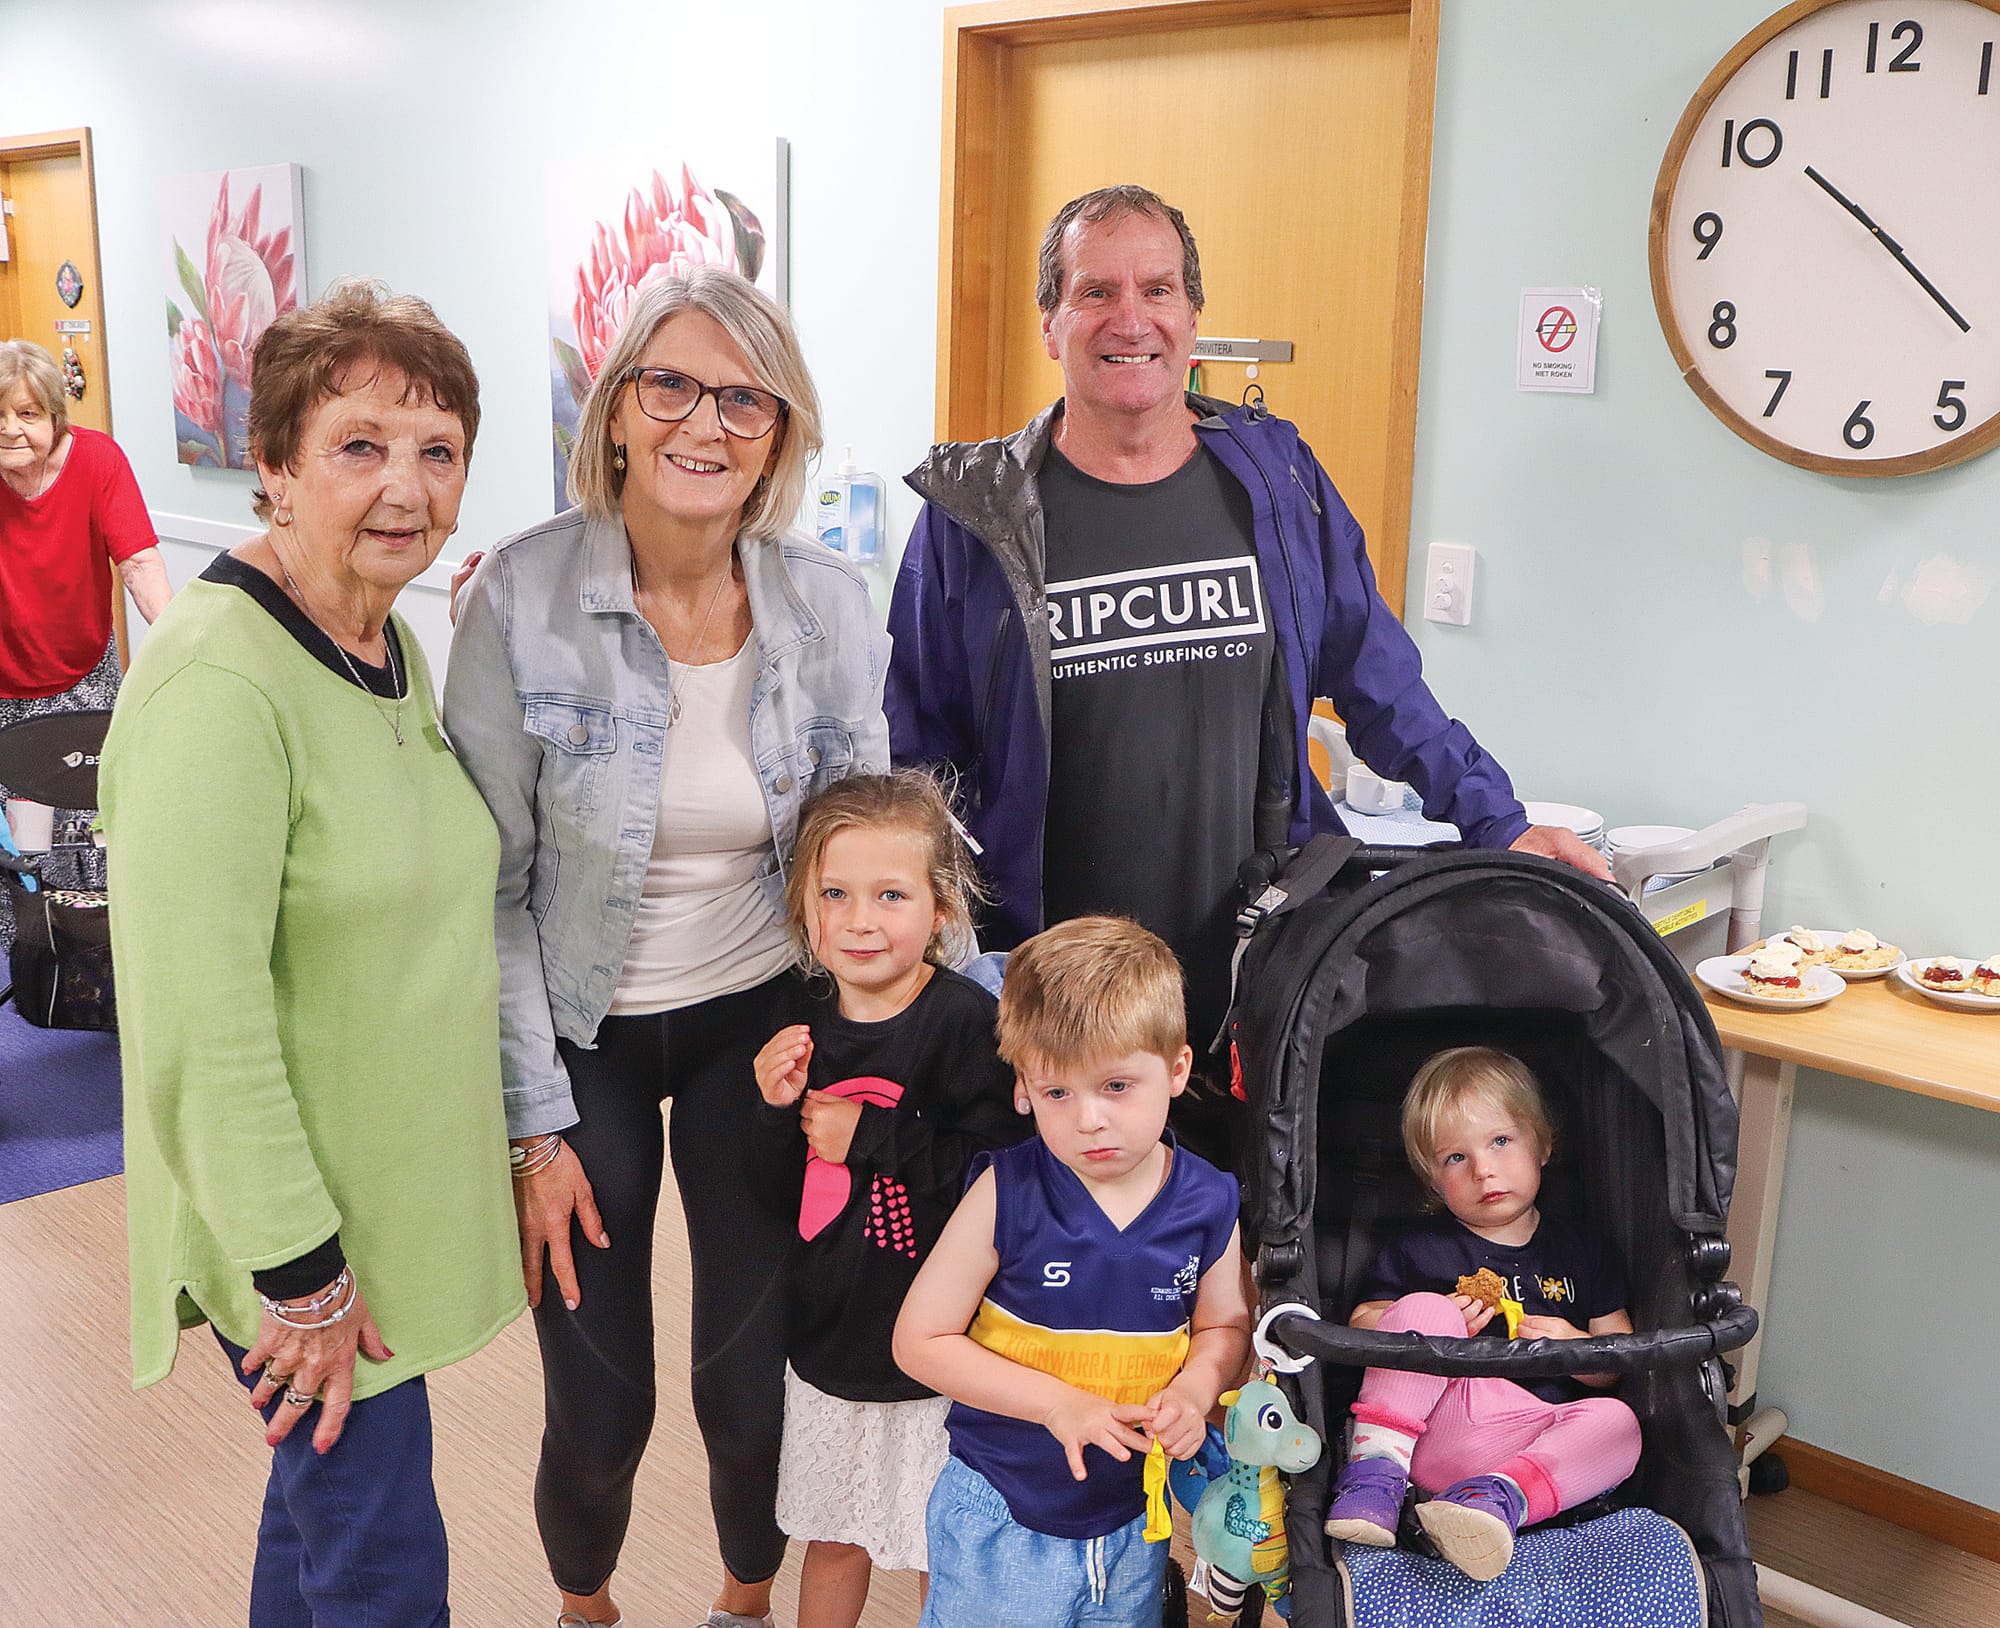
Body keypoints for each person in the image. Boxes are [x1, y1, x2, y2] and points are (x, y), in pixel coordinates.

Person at [885, 185, 1610, 1161]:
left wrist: (1497, 817)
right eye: (1096, 290)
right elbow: (916, 757)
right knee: (1064, 1280)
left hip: (1255, 976)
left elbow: (1376, 679)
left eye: (1158, 288)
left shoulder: (1276, 484)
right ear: (1050, 317)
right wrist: (930, 942)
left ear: (1191, 315)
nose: (1129, 318)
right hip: (1056, 1004)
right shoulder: (971, 517)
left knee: (1238, 1264)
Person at [443, 265, 890, 1628]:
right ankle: (586, 1609)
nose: (707, 421)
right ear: (620, 411)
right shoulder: (517, 600)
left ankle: (743, 1604)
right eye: (672, 384)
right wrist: (530, 1129)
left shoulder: (829, 605)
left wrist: (866, 1056)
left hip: (761, 1019)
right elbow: (492, 896)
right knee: (600, 1397)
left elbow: (862, 859)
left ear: (780, 429)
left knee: (749, 1384)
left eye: (744, 396)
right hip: (581, 1041)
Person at [100, 281, 524, 1627]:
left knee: (319, 1534)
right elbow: (194, 1014)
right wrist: (300, 1276)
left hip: (378, 1201)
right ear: (274, 469)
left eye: (437, 450)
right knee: (386, 1569)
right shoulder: (220, 682)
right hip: (301, 1237)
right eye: (359, 446)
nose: (406, 486)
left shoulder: (379, 637)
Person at [894, 915, 1253, 1628]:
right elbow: (919, 1341)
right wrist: (1058, 1405)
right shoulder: (1005, 1192)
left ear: (1177, 1070)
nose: (1088, 1119)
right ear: (1022, 1088)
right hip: (1002, 1505)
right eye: (1058, 1093)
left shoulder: (1210, 1200)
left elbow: (1225, 1323)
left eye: (1117, 1086)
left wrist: (1195, 1387)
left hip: (1131, 1519)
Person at [751, 770, 1026, 1628]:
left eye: (891, 894)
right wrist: (765, 1108)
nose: (860, 919)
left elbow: (999, 1174)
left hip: (941, 1349)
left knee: (940, 1543)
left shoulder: (961, 1023)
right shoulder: (796, 1019)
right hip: (831, 1339)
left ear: (941, 909)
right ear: (805, 904)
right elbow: (765, 1195)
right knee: (834, 1540)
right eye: (835, 893)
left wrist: (867, 1139)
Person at [1322, 1046, 1641, 1581]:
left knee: (1620, 1424)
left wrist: (1572, 1345)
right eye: (1455, 1158)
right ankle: (1373, 1474)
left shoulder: (1582, 1248)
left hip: (1531, 1441)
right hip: (1431, 1425)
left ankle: (1496, 1503)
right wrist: (1435, 1325)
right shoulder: (1420, 1249)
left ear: (1542, 1145)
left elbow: (1620, 1360)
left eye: (1500, 1142)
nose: (1483, 1171)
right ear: (1432, 1179)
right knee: (1422, 1307)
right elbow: (1360, 1327)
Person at [1, 338, 173, 946]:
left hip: (84, 673)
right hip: (3, 681)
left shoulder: (98, 460)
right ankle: (25, 956)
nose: (11, 430)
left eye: (27, 413)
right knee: (19, 834)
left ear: (54, 415)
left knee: (91, 818)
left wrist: (179, 643)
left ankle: (101, 950)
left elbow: (140, 564)